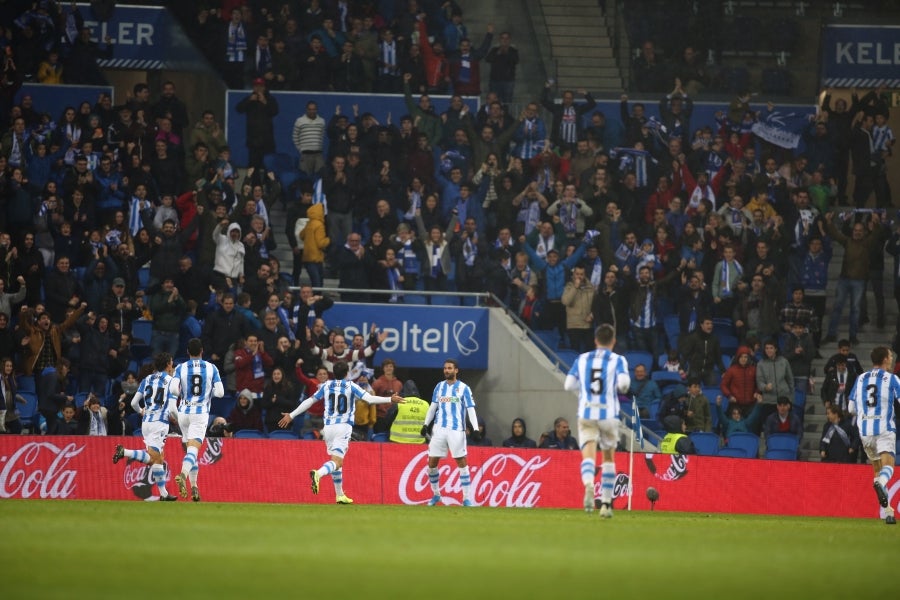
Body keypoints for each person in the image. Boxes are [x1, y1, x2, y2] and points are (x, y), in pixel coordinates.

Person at [278, 360, 403, 504]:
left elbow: (310, 401)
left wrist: (291, 415)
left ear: (333, 373)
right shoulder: (351, 386)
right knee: (337, 461)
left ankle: (339, 495)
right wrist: (390, 398)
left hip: (328, 428)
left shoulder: (326, 385)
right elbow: (369, 399)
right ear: (346, 373)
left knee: (336, 460)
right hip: (342, 427)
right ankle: (318, 473)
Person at [564, 323, 630, 518]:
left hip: (586, 413)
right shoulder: (618, 359)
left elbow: (568, 385)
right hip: (609, 414)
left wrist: (583, 393)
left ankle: (589, 485)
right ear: (613, 341)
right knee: (608, 459)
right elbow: (625, 384)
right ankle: (606, 505)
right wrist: (617, 389)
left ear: (595, 340)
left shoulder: (582, 359)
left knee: (589, 457)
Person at [112, 352, 178, 501]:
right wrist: (180, 422)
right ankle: (125, 452)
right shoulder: (171, 381)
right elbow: (173, 409)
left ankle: (164, 494)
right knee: (154, 457)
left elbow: (133, 403)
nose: (172, 365)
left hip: (146, 422)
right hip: (159, 423)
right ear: (168, 364)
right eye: (172, 363)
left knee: (159, 458)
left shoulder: (147, 379)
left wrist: (142, 411)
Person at [848, 346, 899, 525]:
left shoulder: (860, 378)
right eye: (890, 355)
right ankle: (881, 484)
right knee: (889, 467)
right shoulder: (892, 379)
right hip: (884, 429)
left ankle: (888, 513)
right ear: (885, 359)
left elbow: (851, 408)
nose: (892, 358)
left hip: (865, 432)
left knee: (878, 470)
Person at [420, 358, 481, 507]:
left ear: (456, 370)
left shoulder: (464, 388)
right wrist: (426, 424)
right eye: (445, 368)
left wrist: (476, 428)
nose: (447, 370)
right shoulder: (439, 387)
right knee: (432, 463)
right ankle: (436, 495)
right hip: (439, 429)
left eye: (450, 368)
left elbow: (470, 409)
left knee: (462, 462)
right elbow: (433, 407)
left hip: (456, 431)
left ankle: (466, 498)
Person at [169, 338, 224, 502]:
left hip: (184, 413)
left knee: (189, 451)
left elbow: (173, 389)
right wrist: (208, 393)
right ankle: (182, 475)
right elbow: (220, 393)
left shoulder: (181, 367)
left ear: (187, 352)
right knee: (194, 449)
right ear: (202, 351)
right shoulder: (211, 367)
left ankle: (194, 487)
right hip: (200, 413)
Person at [387, 379, 428, 444]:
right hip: (419, 442)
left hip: (397, 441)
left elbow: (387, 420)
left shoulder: (399, 402)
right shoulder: (426, 404)